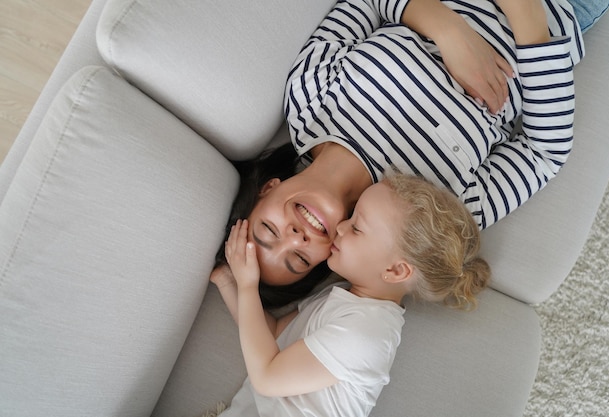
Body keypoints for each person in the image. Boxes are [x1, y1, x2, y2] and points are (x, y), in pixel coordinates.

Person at [213, 0, 584, 305]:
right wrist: (525, 15)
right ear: (328, 257)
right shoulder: (428, 218)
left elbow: (366, 4)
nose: (295, 237)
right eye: (300, 259)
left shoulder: (309, 100)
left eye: (268, 230)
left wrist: (448, 31)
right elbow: (544, 153)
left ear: (267, 188)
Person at [211, 173, 491, 417]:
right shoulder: (346, 298)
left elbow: (267, 376)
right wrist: (227, 281)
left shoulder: (366, 334)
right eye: (352, 215)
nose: (341, 228)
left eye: (356, 227)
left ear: (395, 270)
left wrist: (248, 286)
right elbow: (271, 335)